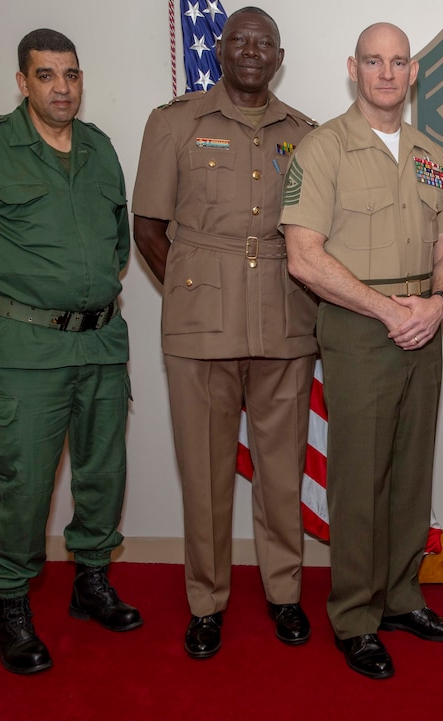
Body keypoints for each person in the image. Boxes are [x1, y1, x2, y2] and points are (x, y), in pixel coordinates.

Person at [0, 28, 140, 675]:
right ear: (23, 82)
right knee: (26, 482)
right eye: (46, 75)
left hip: (101, 341)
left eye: (70, 74)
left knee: (103, 474)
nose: (62, 88)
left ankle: (90, 582)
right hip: (26, 352)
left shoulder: (98, 149)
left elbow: (116, 248)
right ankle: (11, 607)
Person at [131, 6, 318, 659]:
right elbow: (149, 228)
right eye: (238, 39)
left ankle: (284, 593)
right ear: (220, 48)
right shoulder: (175, 123)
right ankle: (207, 601)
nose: (250, 50)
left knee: (281, 471)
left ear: (278, 55)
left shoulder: (307, 133)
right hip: (200, 323)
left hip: (285, 317)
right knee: (205, 473)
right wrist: (193, 286)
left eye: (262, 42)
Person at [281, 22, 443, 680]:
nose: (386, 73)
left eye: (397, 62)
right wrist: (390, 310)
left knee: (411, 473)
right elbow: (304, 257)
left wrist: (439, 304)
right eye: (372, 61)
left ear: (413, 72)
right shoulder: (322, 147)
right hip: (362, 326)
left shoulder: (432, 152)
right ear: (352, 69)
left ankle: (401, 597)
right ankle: (356, 615)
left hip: (424, 322)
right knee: (360, 479)